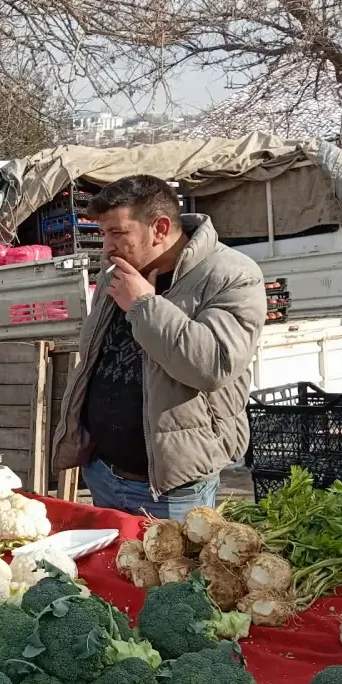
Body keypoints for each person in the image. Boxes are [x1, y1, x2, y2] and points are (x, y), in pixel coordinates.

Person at [53, 175, 266, 519]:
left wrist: (145, 307)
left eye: (118, 233)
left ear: (160, 228)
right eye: (103, 234)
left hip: (172, 489)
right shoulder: (115, 274)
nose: (106, 247)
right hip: (102, 475)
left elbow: (212, 365)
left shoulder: (231, 275)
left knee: (177, 573)